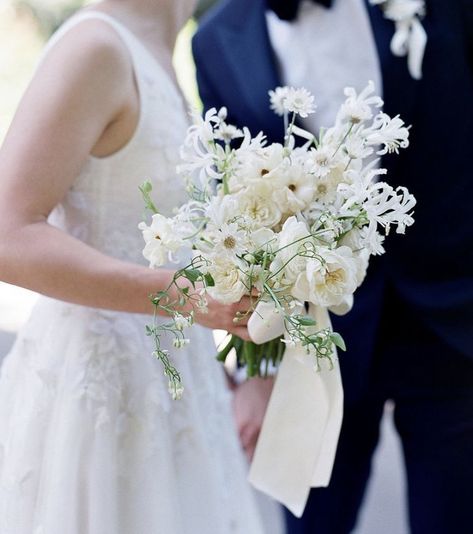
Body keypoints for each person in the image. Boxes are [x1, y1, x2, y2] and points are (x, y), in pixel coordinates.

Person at [193, 0, 473, 533]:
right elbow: (235, 213)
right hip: (318, 340)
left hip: (450, 324)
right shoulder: (214, 41)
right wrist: (258, 370)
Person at [0, 1, 268, 532]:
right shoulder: (96, 48)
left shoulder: (160, 54)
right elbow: (8, 234)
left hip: (178, 390)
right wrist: (185, 297)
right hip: (103, 404)